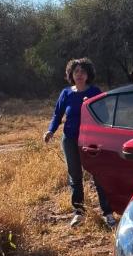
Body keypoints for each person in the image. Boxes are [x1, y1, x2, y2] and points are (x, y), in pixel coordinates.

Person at [44, 57, 117, 228]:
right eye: (76, 71)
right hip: (70, 140)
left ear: (88, 74)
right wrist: (50, 130)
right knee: (75, 177)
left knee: (98, 175)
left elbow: (104, 116)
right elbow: (57, 114)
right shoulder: (66, 93)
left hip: (91, 141)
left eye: (82, 71)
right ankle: (79, 212)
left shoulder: (94, 92)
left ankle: (107, 213)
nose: (79, 74)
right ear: (71, 74)